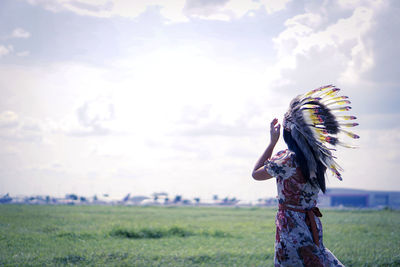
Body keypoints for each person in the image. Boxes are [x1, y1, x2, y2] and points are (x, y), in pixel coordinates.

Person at [252, 85, 359, 266]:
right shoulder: (318, 160)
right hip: (312, 223)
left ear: (289, 134)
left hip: (291, 226)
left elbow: (256, 174)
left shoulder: (285, 160)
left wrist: (271, 143)